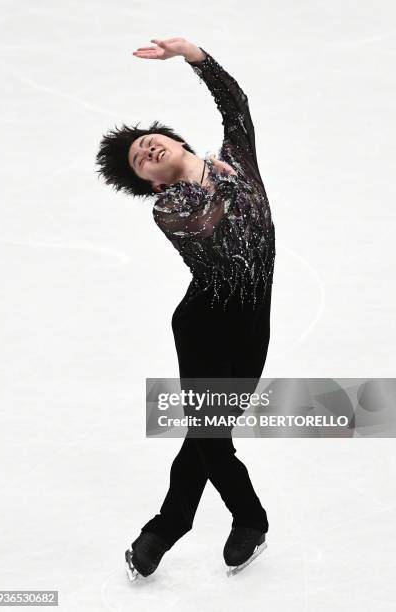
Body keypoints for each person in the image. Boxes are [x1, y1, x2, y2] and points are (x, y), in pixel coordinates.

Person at [95, 37, 276, 578]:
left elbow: (235, 104)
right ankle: (240, 521)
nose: (147, 151)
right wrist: (208, 172)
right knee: (213, 436)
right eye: (139, 161)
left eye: (148, 142)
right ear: (147, 183)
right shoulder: (171, 208)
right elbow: (212, 229)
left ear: (170, 138)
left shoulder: (237, 159)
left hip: (252, 325)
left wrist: (194, 54)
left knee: (206, 435)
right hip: (203, 327)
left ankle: (171, 525)